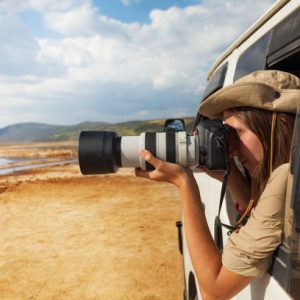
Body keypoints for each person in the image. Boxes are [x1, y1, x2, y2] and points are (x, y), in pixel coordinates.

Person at [135, 70, 299, 299]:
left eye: (237, 133)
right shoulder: (288, 172)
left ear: (278, 123)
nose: (230, 149)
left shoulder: (287, 174)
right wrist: (228, 174)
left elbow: (214, 290)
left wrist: (184, 182)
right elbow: (263, 215)